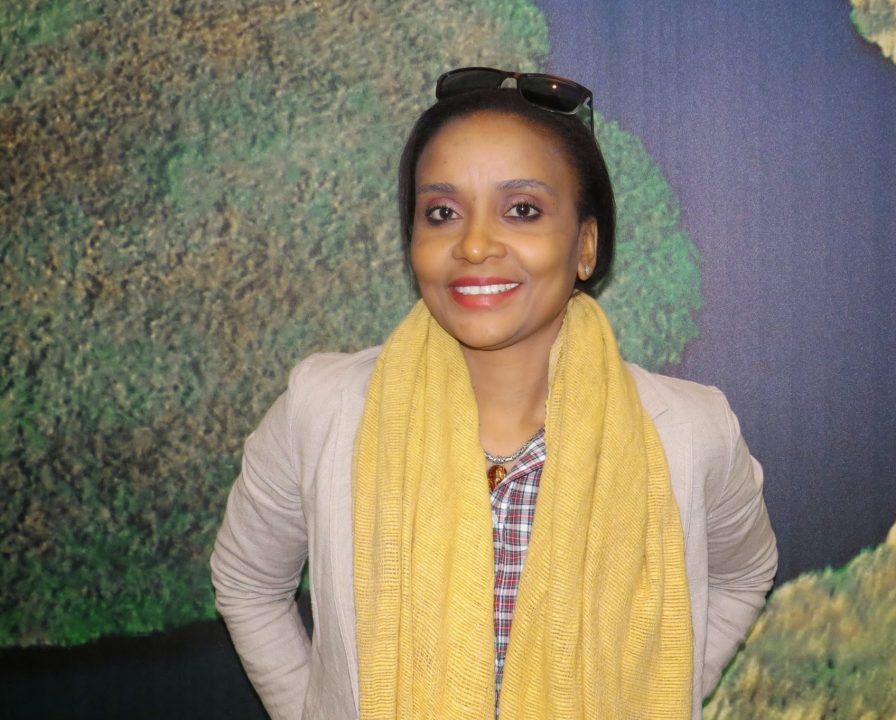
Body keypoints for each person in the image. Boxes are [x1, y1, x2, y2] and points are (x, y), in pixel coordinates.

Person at [211, 67, 777, 720]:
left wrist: (660, 689)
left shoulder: (692, 432)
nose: (475, 244)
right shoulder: (322, 409)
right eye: (442, 213)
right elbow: (247, 583)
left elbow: (743, 574)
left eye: (522, 210)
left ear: (585, 246)